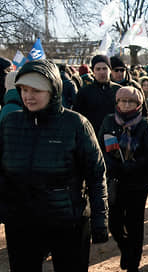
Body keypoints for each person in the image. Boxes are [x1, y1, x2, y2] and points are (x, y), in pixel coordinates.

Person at [0, 59, 109, 271]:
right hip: (22, 223)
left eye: (36, 90)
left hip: (68, 223)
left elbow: (96, 175)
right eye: (23, 89)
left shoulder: (76, 124)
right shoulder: (9, 123)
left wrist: (99, 221)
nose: (28, 96)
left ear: (53, 90)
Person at [98, 86, 148, 272]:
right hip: (115, 181)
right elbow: (99, 146)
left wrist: (129, 166)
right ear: (117, 102)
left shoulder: (146, 124)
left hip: (138, 183)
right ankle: (125, 248)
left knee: (134, 224)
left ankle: (133, 264)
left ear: (139, 104)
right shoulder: (108, 121)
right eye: (122, 101)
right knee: (114, 224)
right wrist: (112, 165)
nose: (126, 104)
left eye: (131, 101)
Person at [74, 55, 122, 135]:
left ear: (110, 70)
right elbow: (78, 117)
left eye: (104, 68)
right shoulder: (84, 92)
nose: (102, 72)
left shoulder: (119, 90)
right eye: (98, 69)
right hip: (91, 136)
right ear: (93, 71)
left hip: (115, 135)